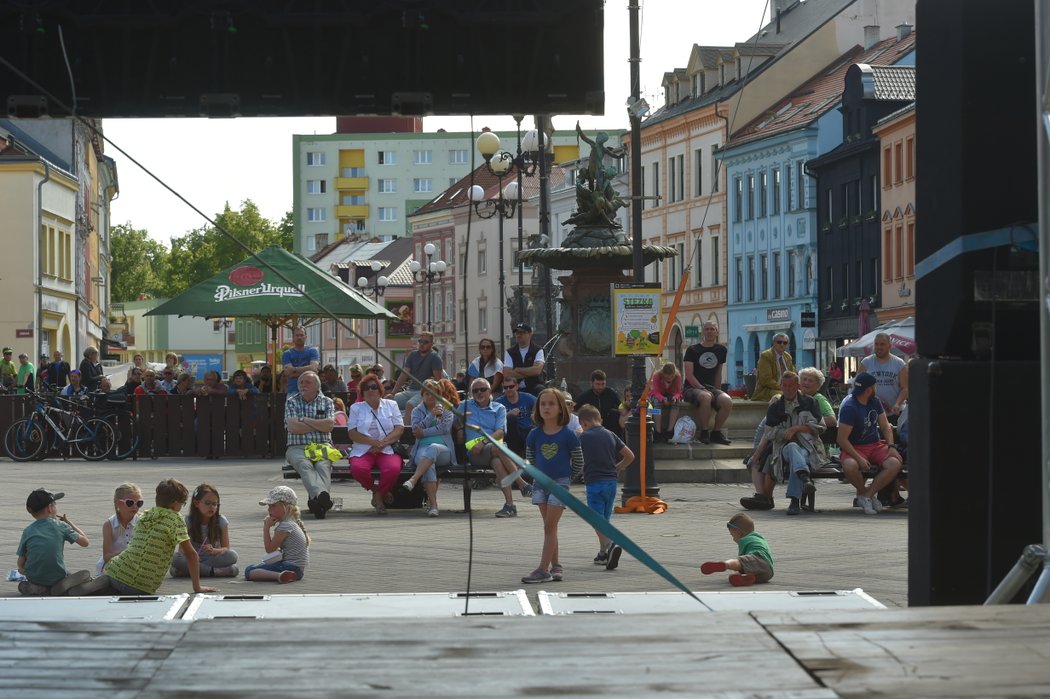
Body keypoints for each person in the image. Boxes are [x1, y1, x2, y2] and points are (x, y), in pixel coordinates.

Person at [102, 478, 218, 596]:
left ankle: (97, 585)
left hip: (115, 573)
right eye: (182, 504)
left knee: (113, 582)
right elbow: (192, 555)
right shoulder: (175, 519)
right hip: (142, 587)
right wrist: (197, 587)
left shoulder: (145, 515)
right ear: (175, 503)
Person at [520, 388, 585, 584]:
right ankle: (556, 565)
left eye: (551, 404)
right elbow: (530, 460)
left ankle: (543, 570)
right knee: (549, 527)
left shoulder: (569, 435)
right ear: (537, 408)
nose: (547, 407)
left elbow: (579, 462)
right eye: (543, 404)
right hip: (540, 484)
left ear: (560, 408)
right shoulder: (533, 434)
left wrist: (566, 480)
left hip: (559, 485)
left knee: (550, 526)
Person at [741, 372, 827, 516]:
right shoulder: (776, 406)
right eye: (785, 386)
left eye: (791, 386)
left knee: (795, 458)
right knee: (792, 447)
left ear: (797, 386)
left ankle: (795, 501)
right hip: (783, 450)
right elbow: (770, 432)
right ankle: (804, 480)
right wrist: (785, 433)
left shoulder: (810, 403)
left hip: (809, 448)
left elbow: (821, 427)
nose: (788, 389)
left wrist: (797, 428)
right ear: (781, 386)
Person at [837, 372, 904, 515]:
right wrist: (859, 458)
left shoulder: (875, 401)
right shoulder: (850, 407)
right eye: (875, 386)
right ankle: (866, 495)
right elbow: (841, 439)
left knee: (895, 463)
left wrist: (891, 446)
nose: (876, 388)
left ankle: (867, 496)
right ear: (869, 389)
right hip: (855, 447)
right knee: (850, 466)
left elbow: (885, 426)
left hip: (875, 445)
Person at [578, 404, 634, 570]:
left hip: (594, 482)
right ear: (599, 419)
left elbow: (575, 457)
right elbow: (630, 456)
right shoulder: (610, 434)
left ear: (584, 423)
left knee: (596, 518)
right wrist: (619, 467)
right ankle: (603, 553)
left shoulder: (584, 436)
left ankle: (610, 546)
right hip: (611, 482)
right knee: (604, 518)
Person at [16, 488, 100, 596]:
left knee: (31, 577)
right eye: (55, 504)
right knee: (85, 576)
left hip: (34, 576)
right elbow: (85, 542)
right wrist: (69, 523)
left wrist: (22, 570)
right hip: (57, 576)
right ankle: (63, 586)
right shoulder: (61, 526)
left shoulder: (27, 531)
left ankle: (39, 587)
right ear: (50, 508)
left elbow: (20, 562)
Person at [464, 377, 529, 517]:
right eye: (475, 391)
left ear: (490, 391)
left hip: (494, 450)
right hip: (476, 453)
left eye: (483, 389)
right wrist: (458, 430)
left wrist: (484, 442)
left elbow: (500, 432)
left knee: (497, 462)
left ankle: (510, 506)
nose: (479, 393)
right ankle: (522, 484)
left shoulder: (499, 408)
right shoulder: (464, 406)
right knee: (499, 449)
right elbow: (452, 418)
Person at [347, 373, 404, 515]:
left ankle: (378, 497)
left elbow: (399, 428)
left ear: (380, 390)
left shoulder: (391, 405)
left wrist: (382, 443)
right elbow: (352, 433)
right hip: (364, 449)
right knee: (358, 469)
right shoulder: (356, 408)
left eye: (374, 387)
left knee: (393, 469)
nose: (370, 390)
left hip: (387, 447)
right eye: (366, 388)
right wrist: (372, 443)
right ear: (362, 392)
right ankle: (377, 491)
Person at [285, 371, 337, 519]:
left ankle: (317, 500)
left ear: (317, 385)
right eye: (301, 382)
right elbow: (293, 428)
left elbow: (329, 425)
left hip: (321, 445)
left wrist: (305, 420)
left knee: (322, 466)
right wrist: (318, 425)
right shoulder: (291, 401)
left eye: (307, 382)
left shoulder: (327, 402)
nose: (302, 385)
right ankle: (322, 497)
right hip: (297, 446)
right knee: (305, 465)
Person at [403, 379, 455, 517]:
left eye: (434, 394)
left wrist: (424, 432)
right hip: (422, 449)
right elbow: (415, 429)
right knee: (428, 464)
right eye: (427, 394)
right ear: (422, 395)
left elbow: (444, 428)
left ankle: (414, 479)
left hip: (443, 449)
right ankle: (433, 506)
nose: (430, 397)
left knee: (433, 448)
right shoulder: (416, 411)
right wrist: (431, 415)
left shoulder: (447, 408)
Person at [170, 483, 239, 578]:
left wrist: (214, 550)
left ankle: (196, 571)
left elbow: (226, 548)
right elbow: (182, 551)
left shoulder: (221, 521)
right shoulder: (187, 521)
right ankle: (213, 572)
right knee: (175, 559)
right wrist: (192, 557)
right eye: (207, 503)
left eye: (214, 504)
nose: (211, 507)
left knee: (232, 555)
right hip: (193, 558)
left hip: (212, 558)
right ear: (196, 503)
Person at [245, 485, 310, 584]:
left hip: (291, 567)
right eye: (268, 506)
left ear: (286, 507)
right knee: (261, 565)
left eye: (273, 506)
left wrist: (266, 528)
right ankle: (285, 574)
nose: (268, 510)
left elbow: (270, 549)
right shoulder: (291, 523)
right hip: (298, 569)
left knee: (249, 570)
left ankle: (280, 575)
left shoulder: (285, 526)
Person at [682, 320, 733, 444]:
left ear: (716, 332)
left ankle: (716, 432)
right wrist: (701, 388)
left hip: (711, 388)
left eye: (712, 329)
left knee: (727, 401)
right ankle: (704, 432)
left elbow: (718, 374)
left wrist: (718, 392)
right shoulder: (692, 350)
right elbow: (689, 375)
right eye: (707, 329)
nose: (709, 331)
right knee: (705, 397)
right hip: (692, 387)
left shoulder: (721, 350)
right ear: (703, 332)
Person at [700, 512, 773, 586]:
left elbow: (741, 561)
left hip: (758, 558)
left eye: (732, 535)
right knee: (747, 569)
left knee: (739, 562)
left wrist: (735, 568)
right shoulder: (759, 538)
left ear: (737, 532)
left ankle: (726, 564)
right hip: (768, 571)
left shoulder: (744, 540)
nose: (733, 539)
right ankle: (744, 578)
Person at [389, 331, 444, 415]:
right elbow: (403, 375)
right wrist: (393, 393)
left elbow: (438, 381)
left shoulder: (435, 358)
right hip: (410, 390)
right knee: (388, 402)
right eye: (420, 341)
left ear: (432, 344)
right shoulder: (412, 355)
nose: (422, 344)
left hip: (424, 392)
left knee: (410, 405)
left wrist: (437, 399)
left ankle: (408, 428)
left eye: (425, 342)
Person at [860, 333, 909, 419]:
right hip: (872, 412)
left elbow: (905, 388)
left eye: (882, 344)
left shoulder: (899, 363)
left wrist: (897, 404)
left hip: (895, 412)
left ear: (890, 345)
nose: (879, 347)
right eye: (876, 344)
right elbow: (858, 385)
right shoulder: (866, 362)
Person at [97, 483, 142, 576]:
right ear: (118, 503)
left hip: (134, 567)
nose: (135, 507)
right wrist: (128, 552)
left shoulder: (142, 521)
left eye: (139, 503)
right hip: (112, 566)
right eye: (130, 503)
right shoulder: (109, 525)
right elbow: (106, 557)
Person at [495, 377, 536, 457]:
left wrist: (534, 413)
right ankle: (514, 456)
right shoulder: (498, 402)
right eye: (505, 387)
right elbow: (494, 419)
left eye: (511, 386)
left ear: (517, 386)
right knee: (511, 418)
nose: (508, 389)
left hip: (527, 430)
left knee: (531, 430)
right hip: (511, 434)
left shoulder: (526, 397)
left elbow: (539, 401)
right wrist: (507, 415)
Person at [503, 323, 546, 396]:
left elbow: (537, 371)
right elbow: (507, 374)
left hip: (534, 386)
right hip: (515, 387)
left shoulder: (538, 350)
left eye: (522, 333)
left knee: (541, 390)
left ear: (530, 334)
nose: (519, 335)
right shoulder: (510, 352)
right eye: (517, 333)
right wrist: (530, 372)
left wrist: (517, 370)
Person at [575, 369, 621, 436]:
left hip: (610, 430)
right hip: (592, 430)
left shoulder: (611, 393)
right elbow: (574, 408)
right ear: (591, 383)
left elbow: (621, 406)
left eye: (603, 384)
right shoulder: (585, 395)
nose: (600, 387)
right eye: (597, 384)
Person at [752, 333, 796, 403]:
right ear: (774, 343)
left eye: (785, 343)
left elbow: (793, 375)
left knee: (801, 394)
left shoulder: (788, 357)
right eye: (779, 342)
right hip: (767, 390)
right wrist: (783, 387)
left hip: (785, 388)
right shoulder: (766, 355)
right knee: (783, 395)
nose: (782, 344)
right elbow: (766, 380)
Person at [649, 362, 683, 441]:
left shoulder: (678, 377)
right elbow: (656, 391)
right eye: (667, 378)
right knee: (657, 403)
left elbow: (679, 392)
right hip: (658, 395)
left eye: (671, 377)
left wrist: (675, 398)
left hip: (671, 395)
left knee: (677, 403)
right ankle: (658, 431)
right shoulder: (656, 376)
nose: (669, 379)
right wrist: (663, 399)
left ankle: (670, 430)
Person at [282, 326, 320, 395]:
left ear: (306, 337)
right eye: (297, 335)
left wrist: (294, 370)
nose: (299, 337)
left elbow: (314, 368)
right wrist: (309, 372)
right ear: (293, 337)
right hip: (293, 391)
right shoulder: (287, 354)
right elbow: (288, 372)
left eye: (301, 335)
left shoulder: (313, 351)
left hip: (312, 392)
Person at [799, 367, 837, 431]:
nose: (806, 383)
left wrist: (808, 421)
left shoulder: (819, 399)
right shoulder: (795, 397)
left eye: (810, 381)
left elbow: (832, 421)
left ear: (818, 386)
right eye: (804, 379)